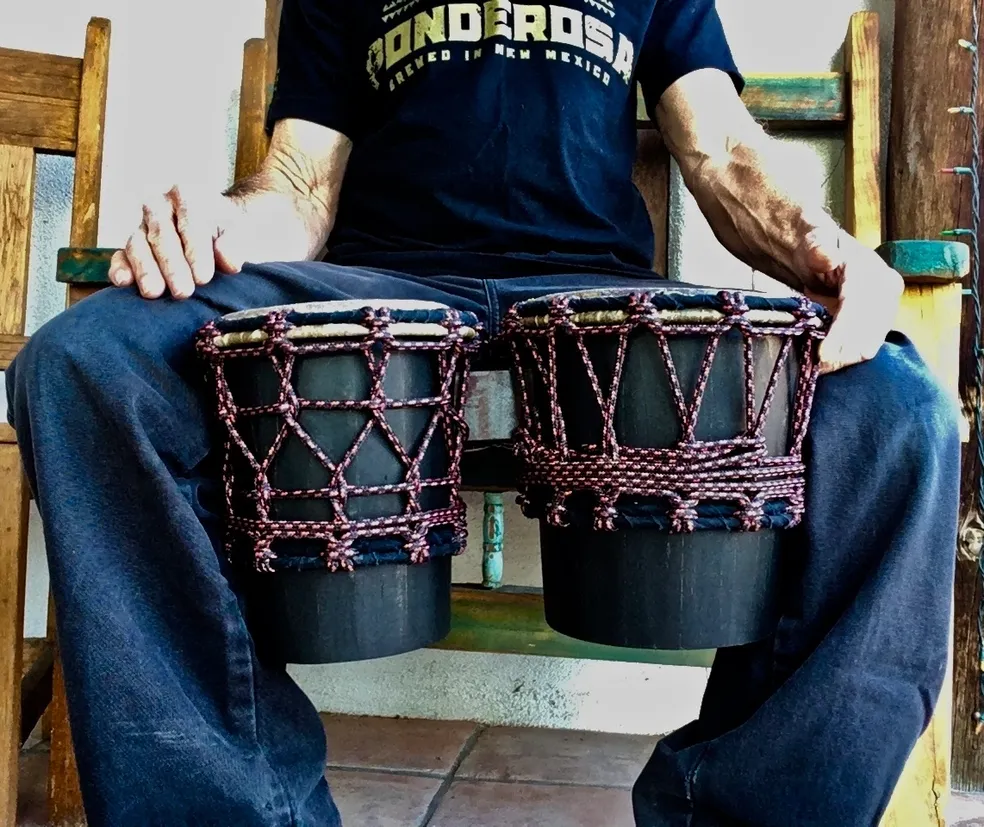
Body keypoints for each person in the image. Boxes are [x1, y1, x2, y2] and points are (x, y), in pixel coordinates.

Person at [5, 0, 960, 824]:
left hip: (595, 305)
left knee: (899, 414)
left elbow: (717, 147)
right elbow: (298, 185)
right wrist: (217, 222)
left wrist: (829, 252)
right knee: (87, 365)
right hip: (377, 293)